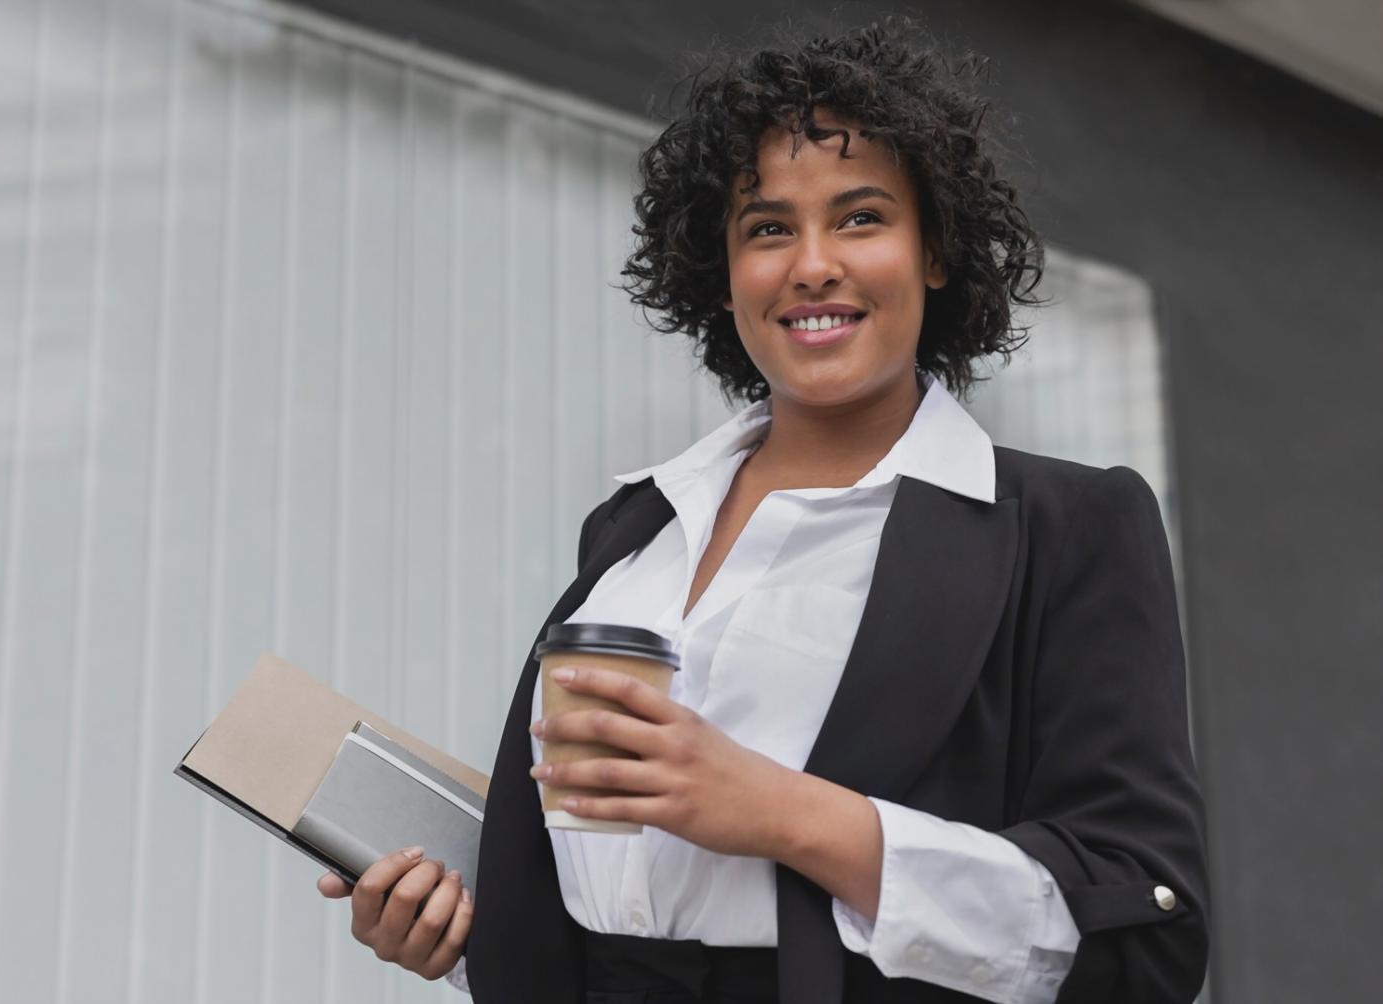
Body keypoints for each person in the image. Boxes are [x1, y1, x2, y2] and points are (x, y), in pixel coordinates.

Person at [317, 18, 1209, 1004]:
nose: (811, 263)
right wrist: (473, 919)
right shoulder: (633, 531)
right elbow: (624, 904)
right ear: (723, 269)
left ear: (937, 252)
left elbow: (1144, 934)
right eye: (768, 227)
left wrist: (789, 814)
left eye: (861, 217)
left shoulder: (1065, 526)